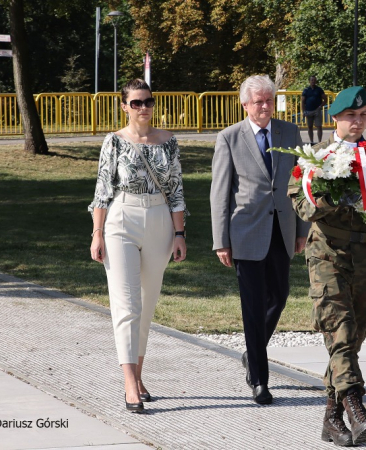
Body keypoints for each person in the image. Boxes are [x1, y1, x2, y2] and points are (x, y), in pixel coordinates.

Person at [288, 86, 366, 445]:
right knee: (339, 326)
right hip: (328, 253)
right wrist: (329, 195)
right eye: (351, 116)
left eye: (363, 115)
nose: (357, 121)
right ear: (334, 119)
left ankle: (330, 417)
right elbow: (302, 206)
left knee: (354, 334)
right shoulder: (315, 160)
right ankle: (356, 406)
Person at [210, 75, 310, 405]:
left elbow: (299, 184)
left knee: (279, 297)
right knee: (252, 308)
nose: (265, 106)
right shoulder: (229, 138)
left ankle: (252, 352)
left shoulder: (289, 132)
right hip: (245, 233)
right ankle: (260, 381)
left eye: (269, 100)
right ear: (245, 105)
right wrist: (221, 240)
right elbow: (219, 193)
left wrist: (301, 230)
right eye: (258, 102)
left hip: (281, 231)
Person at [89, 78, 187, 412]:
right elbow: (102, 189)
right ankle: (129, 384)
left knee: (146, 304)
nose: (143, 108)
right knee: (126, 303)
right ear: (124, 106)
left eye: (147, 101)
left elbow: (176, 191)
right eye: (136, 103)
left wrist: (179, 234)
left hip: (159, 220)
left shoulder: (169, 141)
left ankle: (140, 376)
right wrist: (97, 233)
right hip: (121, 220)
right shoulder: (113, 142)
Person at [301, 75, 327, 144]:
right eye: (312, 80)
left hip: (317, 110)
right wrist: (303, 111)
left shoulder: (319, 89)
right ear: (309, 81)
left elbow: (325, 99)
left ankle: (319, 142)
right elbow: (303, 102)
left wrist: (320, 106)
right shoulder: (306, 90)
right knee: (310, 127)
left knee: (319, 126)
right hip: (308, 110)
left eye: (314, 80)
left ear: (316, 81)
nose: (313, 81)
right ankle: (311, 141)